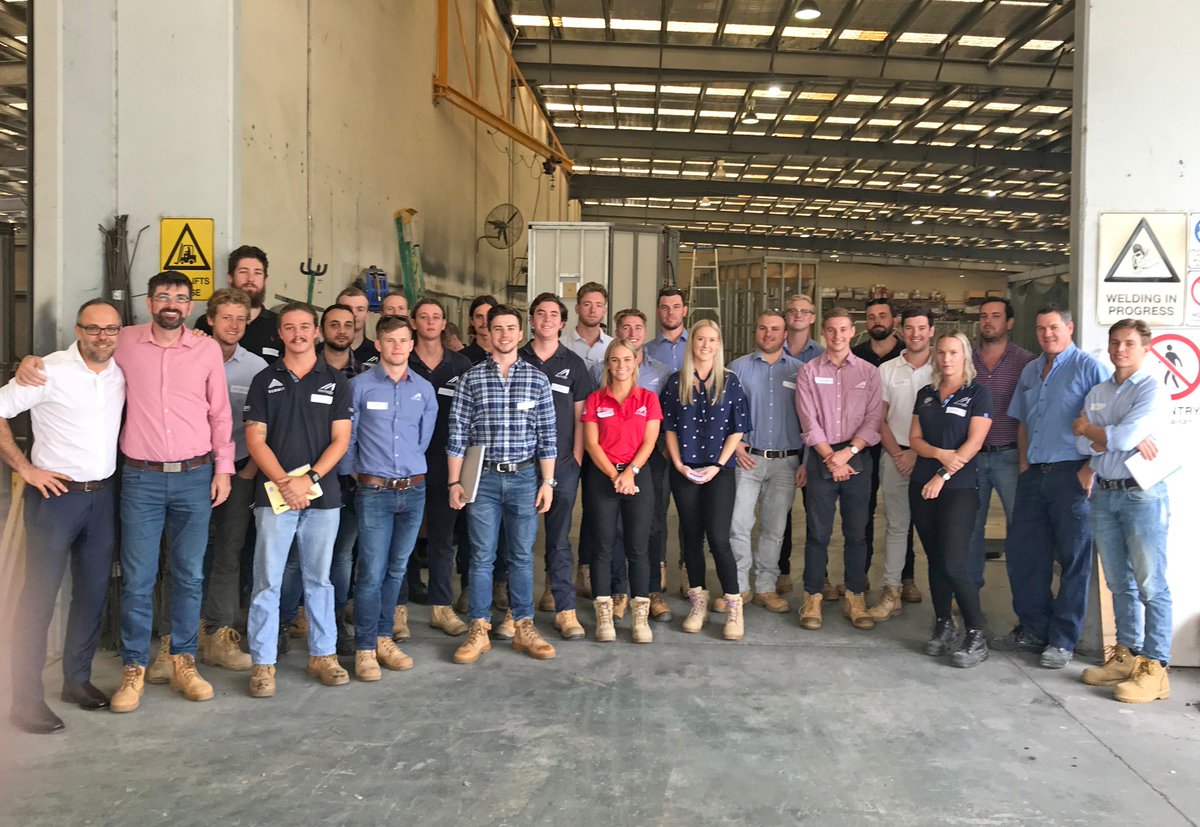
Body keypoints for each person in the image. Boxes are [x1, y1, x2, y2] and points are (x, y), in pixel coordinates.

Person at [13, 273, 236, 713]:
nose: (172, 304)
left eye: (180, 297)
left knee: (189, 575)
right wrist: (28, 363)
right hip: (140, 480)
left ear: (190, 306)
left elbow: (221, 414)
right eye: (163, 297)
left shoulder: (206, 348)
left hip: (195, 475)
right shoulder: (124, 343)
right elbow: (71, 360)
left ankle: (182, 660)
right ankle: (134, 667)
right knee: (137, 578)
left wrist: (224, 469)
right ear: (149, 303)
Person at [2, 300, 125, 733]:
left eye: (111, 329)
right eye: (94, 329)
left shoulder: (119, 373)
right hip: (55, 498)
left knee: (91, 594)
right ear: (78, 330)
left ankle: (76, 680)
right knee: (37, 600)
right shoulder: (47, 370)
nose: (102, 337)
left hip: (102, 498)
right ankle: (25, 700)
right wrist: (25, 468)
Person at [243, 303, 354, 697]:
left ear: (317, 332)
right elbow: (255, 438)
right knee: (268, 581)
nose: (298, 334)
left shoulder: (336, 381)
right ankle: (263, 663)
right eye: (290, 328)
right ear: (280, 335)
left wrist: (309, 479)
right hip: (274, 496)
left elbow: (341, 439)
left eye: (305, 327)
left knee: (319, 580)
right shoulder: (264, 380)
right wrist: (285, 483)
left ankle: (322, 655)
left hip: (322, 497)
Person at [994, 305, 1110, 669]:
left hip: (1071, 474)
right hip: (1034, 475)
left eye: (1054, 327)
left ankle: (1062, 640)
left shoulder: (1090, 369)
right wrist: (1025, 464)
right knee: (1026, 555)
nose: (1048, 334)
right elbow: (1023, 422)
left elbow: (1107, 423)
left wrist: (1090, 469)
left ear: (1070, 327)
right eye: (1042, 328)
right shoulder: (1031, 370)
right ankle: (1033, 628)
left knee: (1074, 559)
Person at [447, 304, 558, 664]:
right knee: (481, 556)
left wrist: (548, 481)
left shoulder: (537, 380)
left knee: (522, 556)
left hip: (525, 478)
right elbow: (457, 434)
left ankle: (524, 625)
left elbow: (548, 435)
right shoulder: (471, 378)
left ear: (520, 332)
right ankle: (478, 628)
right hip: (484, 480)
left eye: (511, 328)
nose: (505, 334)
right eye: (498, 328)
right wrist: (454, 481)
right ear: (488, 334)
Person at [1074, 319, 1173, 704]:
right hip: (1105, 493)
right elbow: (1087, 447)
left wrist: (1098, 431)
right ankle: (1127, 654)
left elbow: (1121, 437)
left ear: (1145, 348)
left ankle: (1156, 666)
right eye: (1115, 343)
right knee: (1118, 582)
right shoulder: (1098, 391)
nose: (1120, 350)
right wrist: (1110, 436)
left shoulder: (1152, 388)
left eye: (1129, 343)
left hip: (1142, 494)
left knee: (1151, 583)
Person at [339, 315, 437, 682]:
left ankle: (383, 638)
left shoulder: (424, 390)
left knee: (397, 569)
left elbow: (422, 440)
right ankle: (364, 648)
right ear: (378, 345)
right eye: (390, 341)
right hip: (374, 491)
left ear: (412, 344)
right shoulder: (358, 387)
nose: (398, 347)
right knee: (371, 572)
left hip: (413, 490)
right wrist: (360, 475)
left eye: (403, 340)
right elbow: (348, 440)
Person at [661, 320, 752, 640]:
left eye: (712, 339)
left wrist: (718, 465)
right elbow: (669, 428)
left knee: (719, 538)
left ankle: (732, 606)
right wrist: (679, 465)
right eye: (700, 339)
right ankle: (698, 603)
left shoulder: (730, 382)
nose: (705, 344)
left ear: (718, 345)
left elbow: (737, 429)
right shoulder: (676, 382)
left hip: (719, 472)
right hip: (684, 470)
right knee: (690, 537)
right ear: (692, 343)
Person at [794, 308, 882, 632]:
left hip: (857, 455)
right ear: (824, 333)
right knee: (817, 533)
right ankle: (813, 595)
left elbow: (874, 420)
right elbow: (808, 420)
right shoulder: (808, 372)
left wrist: (848, 453)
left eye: (843, 330)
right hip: (821, 456)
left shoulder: (869, 373)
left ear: (852, 331)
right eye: (831, 330)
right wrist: (831, 457)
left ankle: (855, 597)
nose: (837, 336)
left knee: (857, 534)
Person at [909, 331, 994, 668]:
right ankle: (944, 623)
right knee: (935, 559)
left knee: (955, 561)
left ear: (965, 356)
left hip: (959, 488)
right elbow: (914, 439)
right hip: (922, 485)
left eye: (953, 353)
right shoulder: (925, 394)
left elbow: (973, 444)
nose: (946, 359)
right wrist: (938, 454)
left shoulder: (978, 394)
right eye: (941, 353)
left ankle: (975, 633)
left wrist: (942, 474)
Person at [587, 308, 674, 621]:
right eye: (615, 360)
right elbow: (592, 443)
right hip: (604, 478)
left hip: (639, 476)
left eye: (627, 360)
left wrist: (631, 473)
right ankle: (604, 613)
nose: (621, 365)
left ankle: (639, 614)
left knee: (638, 546)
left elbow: (649, 442)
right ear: (607, 364)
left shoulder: (648, 399)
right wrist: (615, 475)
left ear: (636, 362)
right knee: (603, 545)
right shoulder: (596, 400)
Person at [198, 288, 266, 672]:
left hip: (239, 473)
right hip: (192, 470)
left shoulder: (255, 368)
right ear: (210, 319)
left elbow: (264, 426)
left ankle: (220, 635)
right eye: (226, 317)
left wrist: (248, 472)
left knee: (228, 553)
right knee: (186, 556)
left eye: (240, 319)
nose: (234, 325)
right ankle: (182, 637)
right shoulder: (188, 357)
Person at [518, 293, 592, 640]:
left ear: (563, 323)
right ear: (531, 320)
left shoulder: (573, 364)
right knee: (518, 540)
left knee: (559, 540)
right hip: (520, 465)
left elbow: (581, 417)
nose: (547, 319)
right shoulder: (517, 359)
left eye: (553, 315)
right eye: (540, 313)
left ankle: (563, 607)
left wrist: (576, 457)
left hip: (562, 464)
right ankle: (517, 613)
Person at [728, 310, 804, 615]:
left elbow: (811, 418)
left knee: (775, 528)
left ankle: (766, 587)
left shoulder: (801, 372)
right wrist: (734, 446)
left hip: (787, 462)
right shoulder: (737, 369)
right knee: (739, 525)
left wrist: (806, 461)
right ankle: (738, 587)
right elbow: (726, 413)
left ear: (785, 334)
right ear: (755, 332)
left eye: (775, 329)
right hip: (748, 460)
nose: (768, 334)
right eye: (762, 328)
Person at [407, 298, 472, 636]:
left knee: (443, 538)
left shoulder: (461, 365)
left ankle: (441, 607)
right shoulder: (403, 359)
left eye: (436, 317)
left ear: (444, 323)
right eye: (423, 317)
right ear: (413, 322)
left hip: (448, 462)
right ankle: (397, 610)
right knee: (402, 538)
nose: (430, 322)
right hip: (405, 462)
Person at [868, 307, 934, 622]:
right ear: (900, 330)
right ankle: (891, 591)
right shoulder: (887, 370)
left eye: (921, 328)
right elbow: (878, 419)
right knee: (896, 526)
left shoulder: (944, 366)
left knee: (937, 529)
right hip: (894, 455)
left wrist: (917, 454)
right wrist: (898, 454)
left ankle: (944, 594)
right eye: (909, 328)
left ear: (931, 331)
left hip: (933, 459)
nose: (915, 334)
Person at [846, 297, 912, 603]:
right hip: (862, 447)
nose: (877, 321)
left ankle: (906, 577)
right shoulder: (855, 354)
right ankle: (861, 576)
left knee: (903, 515)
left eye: (882, 316)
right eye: (871, 317)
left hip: (898, 446)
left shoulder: (907, 354)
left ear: (894, 321)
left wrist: (899, 451)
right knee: (863, 512)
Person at [969, 298, 1033, 581]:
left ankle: (1022, 598)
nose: (988, 321)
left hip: (1010, 456)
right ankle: (970, 596)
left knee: (1019, 529)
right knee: (970, 528)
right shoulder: (965, 359)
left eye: (996, 316)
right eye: (983, 316)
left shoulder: (1026, 362)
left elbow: (1031, 414)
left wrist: (1024, 459)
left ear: (1009, 323)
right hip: (971, 456)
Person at [194, 245, 281, 362]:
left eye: (258, 273)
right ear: (230, 277)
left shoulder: (279, 324)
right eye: (243, 272)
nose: (250, 279)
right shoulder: (206, 323)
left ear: (265, 279)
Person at [566, 282, 612, 374]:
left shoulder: (613, 346)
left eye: (598, 305)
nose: (593, 310)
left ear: (604, 311)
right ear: (577, 309)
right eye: (587, 304)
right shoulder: (560, 345)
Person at [645, 286, 689, 371]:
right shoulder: (646, 351)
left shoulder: (698, 347)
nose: (671, 312)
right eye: (665, 307)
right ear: (657, 311)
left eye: (676, 307)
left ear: (685, 311)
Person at [336, 286, 379, 366]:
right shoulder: (320, 351)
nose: (354, 314)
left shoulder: (379, 352)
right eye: (347, 308)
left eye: (360, 309)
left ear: (367, 315)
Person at [782, 293, 824, 363]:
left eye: (804, 311)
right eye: (792, 311)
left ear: (813, 318)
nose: (798, 315)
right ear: (785, 316)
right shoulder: (773, 349)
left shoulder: (821, 354)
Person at [461, 294, 497, 365]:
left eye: (489, 316)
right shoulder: (460, 359)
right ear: (472, 321)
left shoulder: (509, 356)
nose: (485, 321)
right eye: (479, 317)